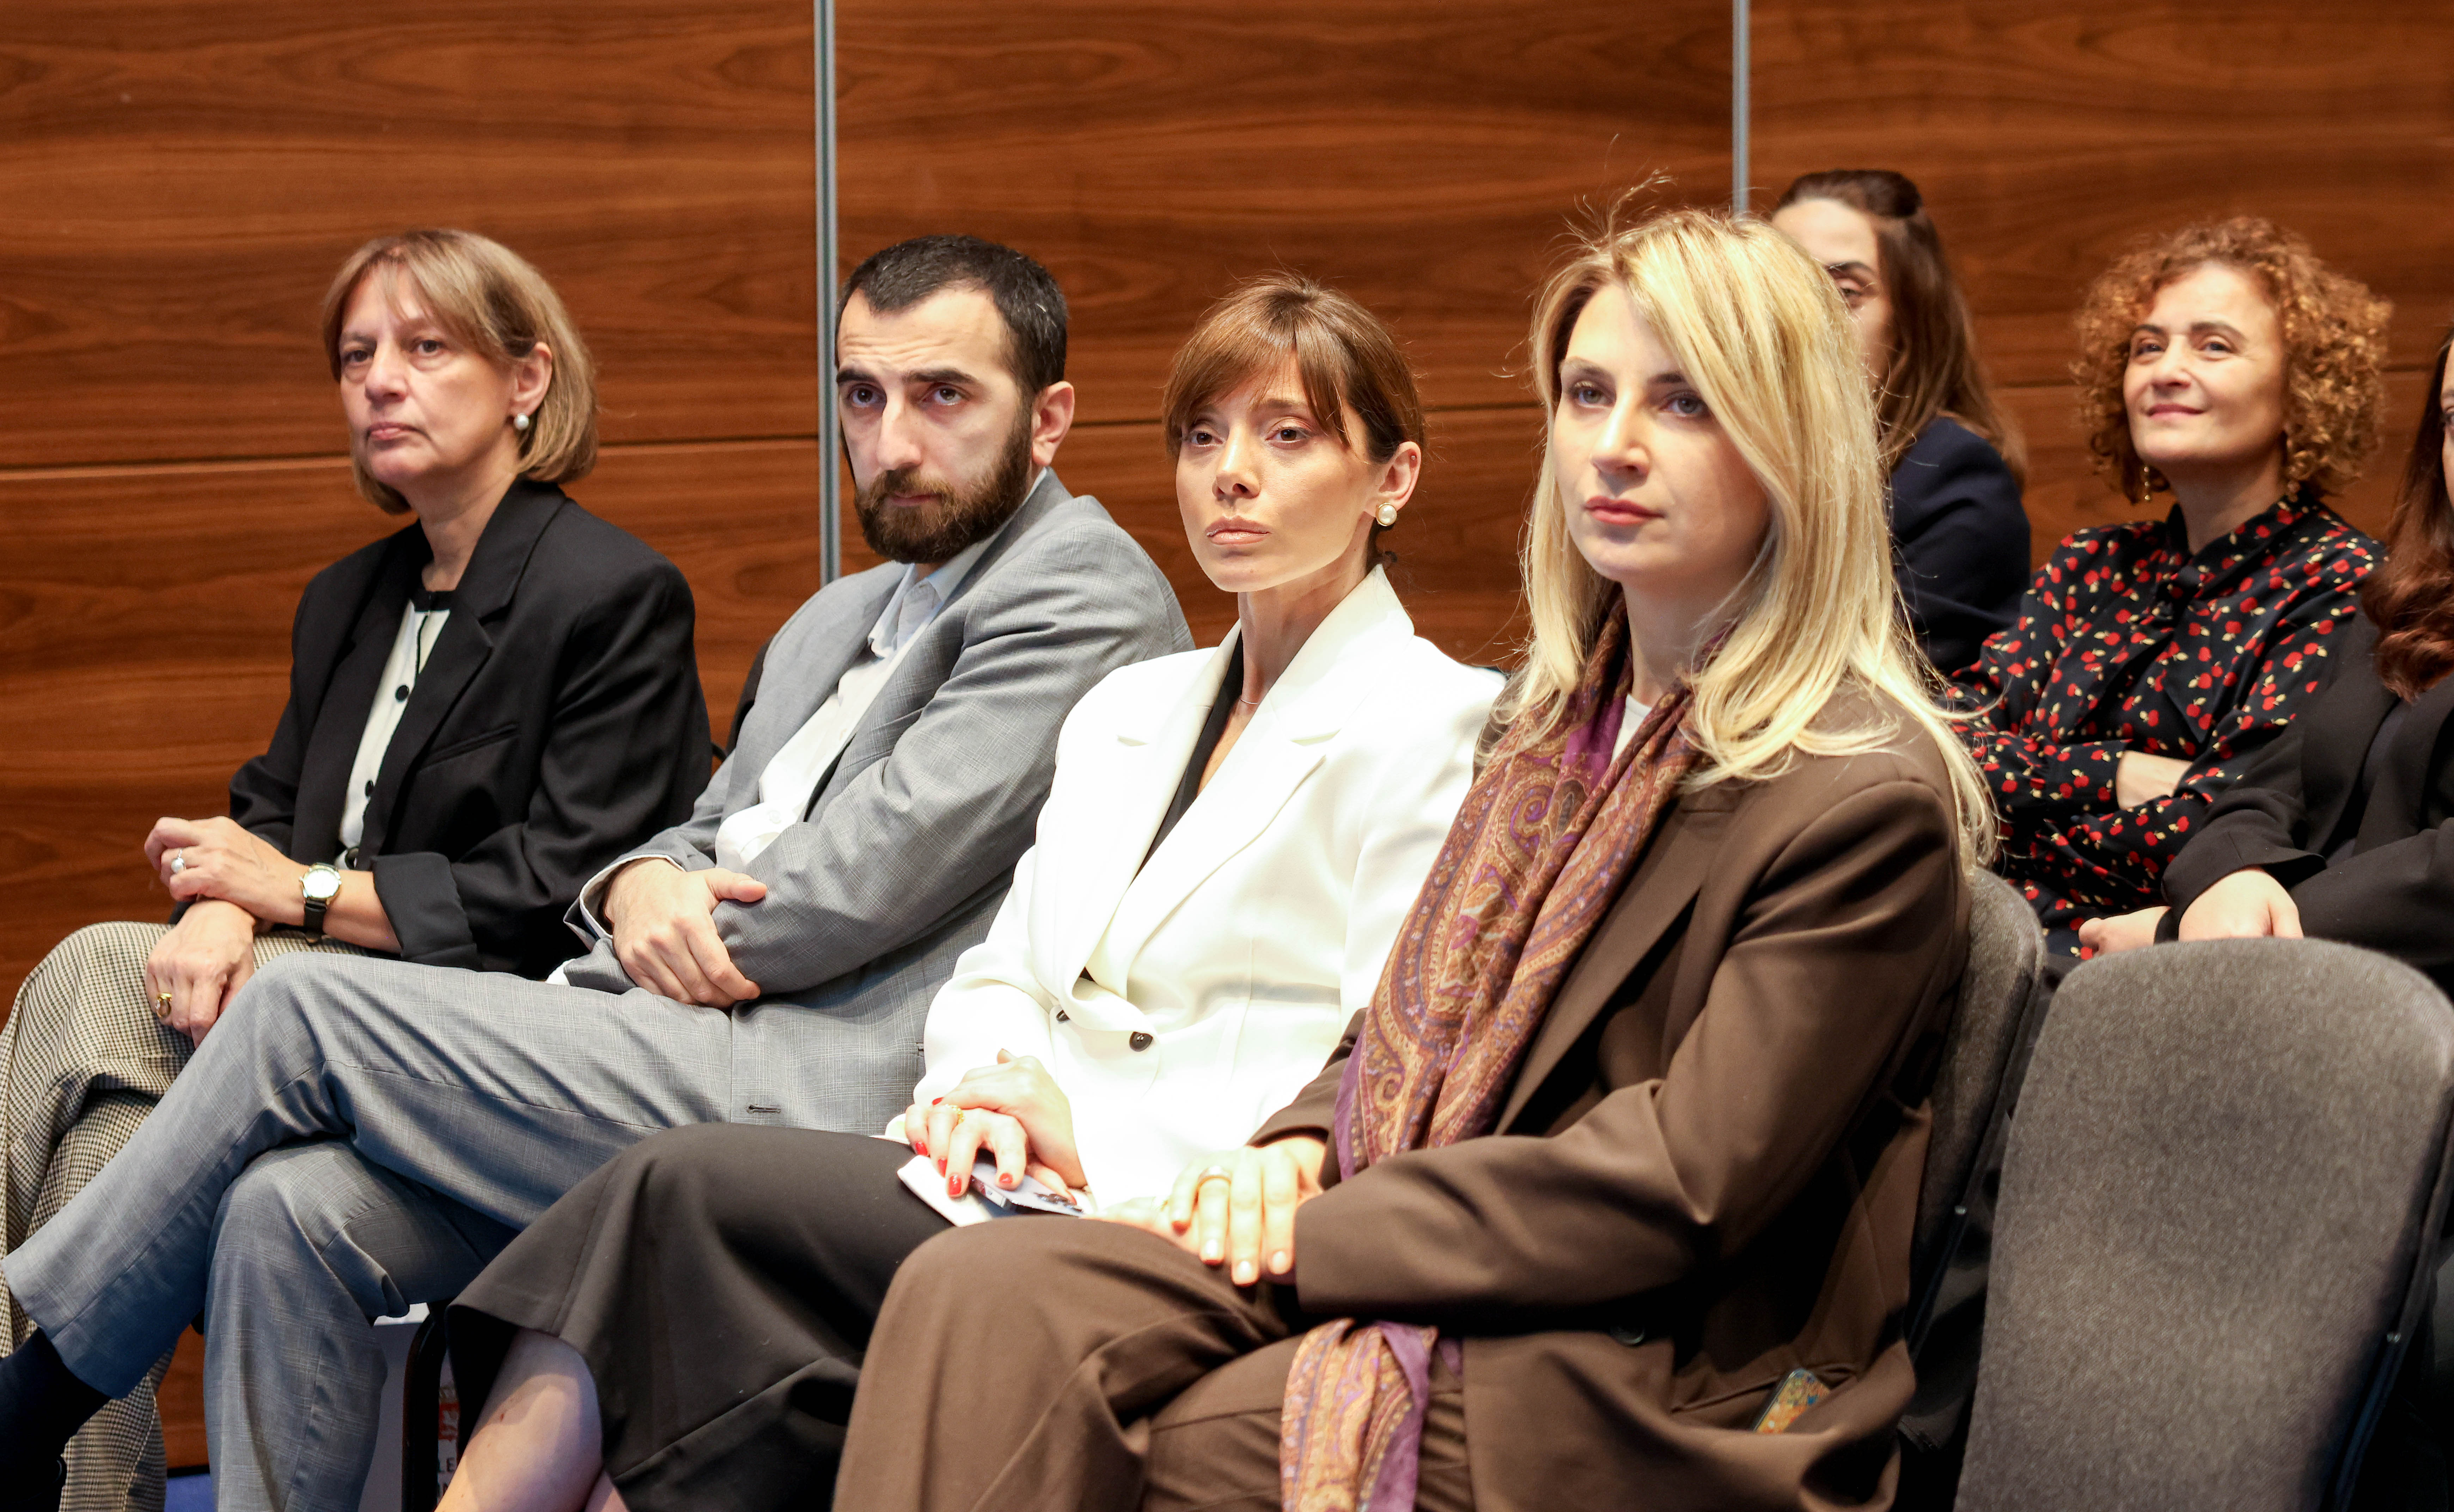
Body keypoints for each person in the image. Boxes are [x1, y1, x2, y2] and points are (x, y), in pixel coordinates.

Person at [0, 235, 1191, 1512]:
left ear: (1049, 419)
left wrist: (650, 923)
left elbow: (863, 881)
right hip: (651, 1036)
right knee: (286, 1210)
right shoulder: (835, 617)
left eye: (942, 395)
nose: (892, 442)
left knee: (297, 1008)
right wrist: (636, 894)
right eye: (862, 395)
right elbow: (689, 832)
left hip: (812, 1079)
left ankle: (28, 1412)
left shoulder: (1082, 592)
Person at [828, 205, 1990, 1512]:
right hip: (1433, 1237)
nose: (1613, 444)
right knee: (975, 1288)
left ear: (1792, 442)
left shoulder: (1855, 795)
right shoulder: (1553, 736)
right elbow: (1398, 1031)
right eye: (1588, 393)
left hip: (1653, 1364)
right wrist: (1291, 1151)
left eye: (1683, 403)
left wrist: (1315, 1225)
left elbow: (1681, 1187)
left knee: (1148, 1434)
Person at [429, 275, 1504, 1512]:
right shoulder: (1134, 706)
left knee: (686, 1199)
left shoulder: (1437, 720)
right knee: (679, 1239)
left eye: (1289, 436)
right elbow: (1006, 968)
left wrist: (1090, 1141)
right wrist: (991, 1093)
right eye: (1203, 437)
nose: (1232, 475)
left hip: (1191, 1192)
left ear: (1392, 479)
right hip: (1001, 1164)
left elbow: (1383, 1053)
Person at [0, 229, 712, 1512]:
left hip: (499, 1031)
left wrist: (293, 897)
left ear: (528, 380)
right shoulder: (348, 598)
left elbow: (566, 883)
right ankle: (77, 1491)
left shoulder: (612, 593)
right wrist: (222, 907)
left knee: (92, 969)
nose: (381, 380)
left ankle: (16, 1411)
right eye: (356, 357)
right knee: (109, 1132)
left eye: (426, 348)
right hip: (306, 996)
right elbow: (271, 812)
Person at [1949, 216, 2385, 947]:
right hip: (1978, 928)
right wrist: (2113, 773)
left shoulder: (2343, 584)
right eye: (2147, 347)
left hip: (2145, 961)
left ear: (2303, 390)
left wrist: (2013, 811)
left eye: (2214, 346)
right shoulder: (2091, 562)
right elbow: (1943, 743)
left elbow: (2219, 830)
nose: (2165, 371)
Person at [2082, 325, 2454, 972]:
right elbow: (2269, 789)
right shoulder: (2405, 599)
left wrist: (2192, 932)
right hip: (2291, 971)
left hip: (2398, 994)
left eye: (2215, 345)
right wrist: (2235, 871)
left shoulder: (2329, 574)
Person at [1770, 169, 2028, 673]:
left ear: (1910, 320)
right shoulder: (1725, 459)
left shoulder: (1954, 479)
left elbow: (1873, 693)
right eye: (1778, 289)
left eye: (1845, 292)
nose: (1801, 319)